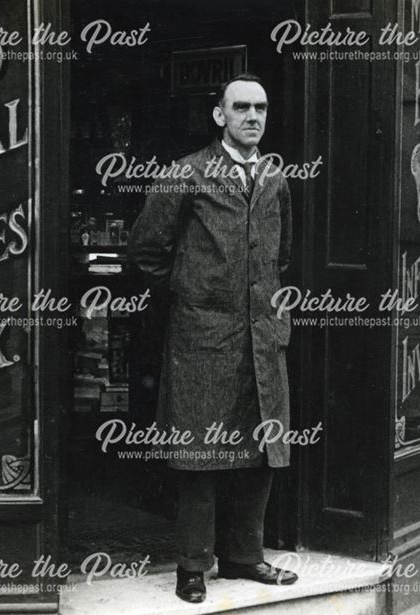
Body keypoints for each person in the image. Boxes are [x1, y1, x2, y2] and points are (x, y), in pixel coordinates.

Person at [128, 73, 298, 603]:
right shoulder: (187, 174)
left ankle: (244, 556)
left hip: (261, 335)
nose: (253, 116)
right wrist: (193, 291)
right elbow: (145, 251)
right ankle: (192, 567)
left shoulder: (275, 178)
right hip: (202, 337)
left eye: (261, 108)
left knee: (261, 449)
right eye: (241, 107)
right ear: (219, 116)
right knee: (199, 456)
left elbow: (281, 254)